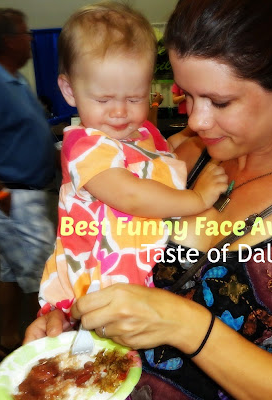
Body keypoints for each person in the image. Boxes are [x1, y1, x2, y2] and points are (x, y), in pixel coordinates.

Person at [25, 0, 272, 399]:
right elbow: (103, 244)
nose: (195, 120)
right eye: (185, 94)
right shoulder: (181, 155)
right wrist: (67, 315)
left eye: (220, 101)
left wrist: (187, 326)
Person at [37, 3, 227, 320]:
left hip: (140, 269)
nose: (120, 112)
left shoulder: (139, 132)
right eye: (104, 99)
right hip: (104, 275)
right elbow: (130, 195)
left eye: (135, 97)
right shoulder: (85, 146)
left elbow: (160, 154)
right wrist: (196, 198)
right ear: (70, 90)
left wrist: (190, 133)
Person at [0, 8, 56, 360]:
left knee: (13, 269)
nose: (31, 39)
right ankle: (48, 352)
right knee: (46, 274)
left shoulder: (11, 78)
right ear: (8, 41)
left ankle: (8, 337)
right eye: (25, 33)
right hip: (10, 194)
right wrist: (0, 194)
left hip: (22, 194)